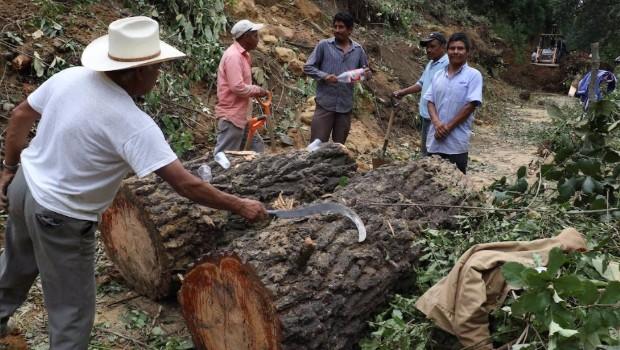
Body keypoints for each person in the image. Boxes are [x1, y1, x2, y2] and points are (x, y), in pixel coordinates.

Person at [0, 16, 266, 349]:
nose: (158, 75)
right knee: (72, 313)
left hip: (26, 187)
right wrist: (239, 205)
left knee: (14, 267)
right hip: (60, 216)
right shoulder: (131, 123)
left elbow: (20, 115)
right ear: (139, 72)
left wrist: (10, 168)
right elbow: (186, 185)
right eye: (157, 68)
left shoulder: (71, 78)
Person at [303, 12, 371, 144]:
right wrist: (325, 76)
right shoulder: (324, 45)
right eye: (335, 27)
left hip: (345, 107)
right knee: (316, 146)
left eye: (341, 27)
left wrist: (367, 74)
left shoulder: (358, 50)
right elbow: (308, 67)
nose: (337, 30)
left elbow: (365, 73)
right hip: (325, 105)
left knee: (339, 147)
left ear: (350, 30)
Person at [424, 32, 483, 174]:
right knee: (431, 185)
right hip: (435, 141)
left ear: (467, 52)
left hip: (456, 144)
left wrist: (447, 128)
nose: (456, 52)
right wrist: (437, 124)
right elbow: (430, 101)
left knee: (456, 189)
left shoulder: (473, 75)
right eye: (452, 48)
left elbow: (470, 105)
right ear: (447, 50)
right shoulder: (438, 74)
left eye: (460, 48)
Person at [214, 19, 269, 155]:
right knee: (223, 158)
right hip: (232, 117)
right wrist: (258, 90)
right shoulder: (234, 57)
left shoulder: (244, 56)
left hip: (242, 116)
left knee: (257, 149)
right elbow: (237, 87)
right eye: (255, 35)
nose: (258, 39)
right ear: (245, 37)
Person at [393, 32, 448, 156]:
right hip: (426, 114)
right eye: (427, 47)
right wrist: (403, 92)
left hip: (438, 117)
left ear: (443, 46)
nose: (428, 50)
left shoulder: (447, 65)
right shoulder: (431, 63)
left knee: (434, 154)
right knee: (425, 152)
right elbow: (421, 83)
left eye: (432, 46)